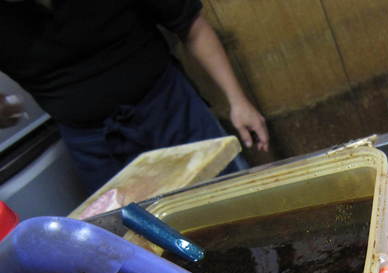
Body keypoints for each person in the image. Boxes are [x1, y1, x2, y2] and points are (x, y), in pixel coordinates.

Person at [0, 0, 269, 193]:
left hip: (171, 109)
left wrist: (238, 101)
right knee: (144, 240)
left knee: (230, 196)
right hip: (93, 145)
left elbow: (191, 26)